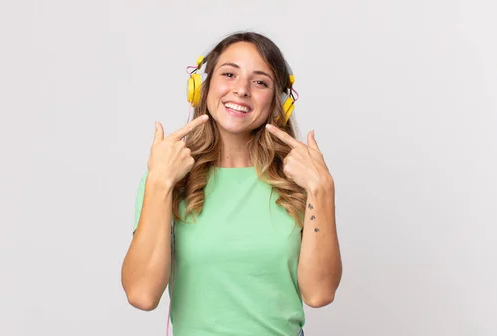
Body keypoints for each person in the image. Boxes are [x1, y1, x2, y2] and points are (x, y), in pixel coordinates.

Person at [121, 31, 343, 336]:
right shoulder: (167, 175)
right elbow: (141, 295)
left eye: (260, 82)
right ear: (202, 86)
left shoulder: (301, 180)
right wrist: (160, 183)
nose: (241, 90)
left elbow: (319, 293)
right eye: (229, 74)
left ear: (279, 103)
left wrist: (322, 189)